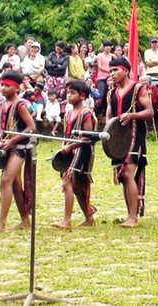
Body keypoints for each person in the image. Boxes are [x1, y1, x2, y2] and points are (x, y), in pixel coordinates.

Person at [105, 57, 154, 228]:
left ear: (125, 70)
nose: (112, 74)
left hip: (134, 135)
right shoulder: (111, 92)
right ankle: (129, 215)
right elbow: (109, 116)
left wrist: (132, 115)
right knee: (124, 177)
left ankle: (133, 217)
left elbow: (149, 112)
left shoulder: (138, 88)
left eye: (115, 70)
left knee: (127, 173)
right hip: (117, 139)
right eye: (110, 71)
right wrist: (107, 132)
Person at [0, 71, 37, 232]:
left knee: (5, 180)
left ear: (16, 88)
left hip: (20, 149)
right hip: (7, 148)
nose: (3, 88)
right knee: (14, 185)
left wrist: (12, 141)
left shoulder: (20, 105)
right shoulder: (1, 105)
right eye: (1, 85)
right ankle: (25, 220)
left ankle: (1, 222)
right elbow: (3, 132)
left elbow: (31, 127)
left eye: (7, 85)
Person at [52, 80, 97, 229]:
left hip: (82, 151)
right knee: (76, 187)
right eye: (68, 92)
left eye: (72, 93)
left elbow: (88, 137)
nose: (68, 95)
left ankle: (66, 220)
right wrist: (64, 148)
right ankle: (89, 217)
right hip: (69, 151)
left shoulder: (86, 113)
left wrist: (71, 146)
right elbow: (66, 135)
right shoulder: (68, 114)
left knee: (67, 183)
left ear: (82, 95)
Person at [95, 40, 115, 113]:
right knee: (102, 94)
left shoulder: (113, 56)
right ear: (103, 47)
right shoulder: (100, 55)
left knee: (110, 94)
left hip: (111, 78)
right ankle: (98, 110)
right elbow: (100, 66)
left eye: (110, 46)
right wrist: (109, 70)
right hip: (102, 78)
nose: (108, 47)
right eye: (107, 46)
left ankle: (107, 110)